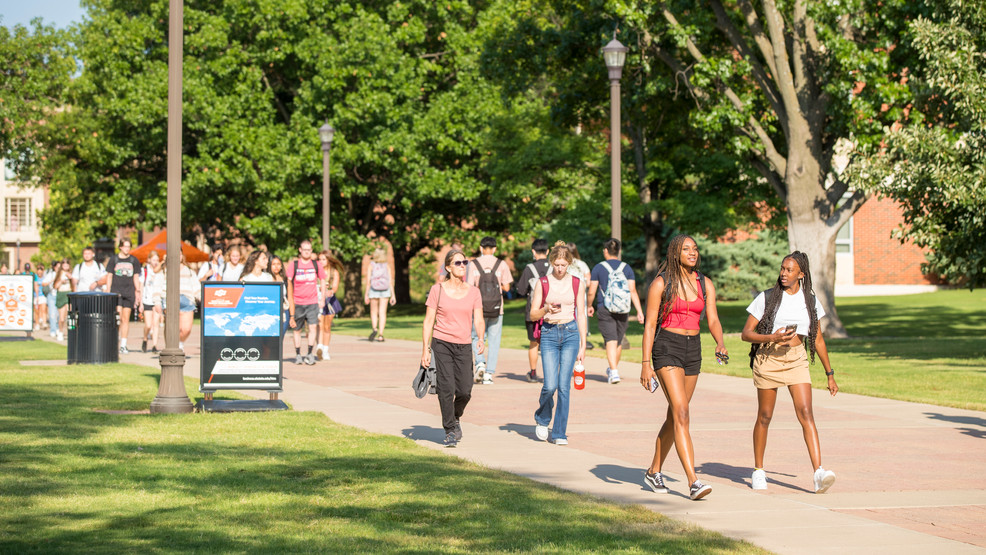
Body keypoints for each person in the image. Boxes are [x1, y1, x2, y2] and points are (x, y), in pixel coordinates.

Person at [741, 251, 839, 493]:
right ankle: (759, 471)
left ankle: (818, 472)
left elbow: (817, 340)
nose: (783, 273)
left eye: (789, 270)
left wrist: (829, 373)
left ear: (801, 274)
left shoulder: (810, 301)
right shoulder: (767, 297)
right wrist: (771, 336)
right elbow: (746, 334)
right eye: (782, 268)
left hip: (796, 360)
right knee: (765, 416)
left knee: (806, 413)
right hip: (768, 358)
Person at [640, 235, 727, 501]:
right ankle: (693, 481)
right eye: (686, 249)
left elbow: (712, 318)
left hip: (693, 349)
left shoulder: (704, 283)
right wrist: (646, 365)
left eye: (695, 248)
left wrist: (720, 343)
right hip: (667, 346)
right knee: (682, 412)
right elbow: (650, 325)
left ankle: (654, 470)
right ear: (675, 253)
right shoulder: (661, 284)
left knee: (676, 415)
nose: (692, 252)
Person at [421, 249, 485, 448]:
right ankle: (449, 430)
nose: (462, 266)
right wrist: (425, 349)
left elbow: (479, 318)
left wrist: (481, 338)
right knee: (446, 388)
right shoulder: (437, 290)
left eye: (464, 262)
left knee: (465, 390)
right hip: (442, 344)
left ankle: (455, 416)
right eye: (458, 263)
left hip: (464, 344)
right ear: (448, 267)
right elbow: (428, 321)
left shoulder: (474, 291)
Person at [529, 242, 586, 445]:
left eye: (564, 265)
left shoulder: (577, 282)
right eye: (557, 264)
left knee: (564, 387)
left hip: (570, 334)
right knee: (550, 385)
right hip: (549, 333)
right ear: (551, 262)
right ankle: (543, 419)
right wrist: (545, 309)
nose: (560, 269)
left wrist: (583, 344)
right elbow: (532, 313)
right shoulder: (543, 283)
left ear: (569, 263)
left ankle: (560, 432)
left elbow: (581, 314)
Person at [587, 238, 644, 384]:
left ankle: (613, 371)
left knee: (610, 340)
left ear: (605, 251)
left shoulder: (599, 268)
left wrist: (589, 305)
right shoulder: (627, 268)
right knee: (617, 340)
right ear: (618, 252)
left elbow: (592, 291)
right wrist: (639, 311)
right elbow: (632, 290)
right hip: (623, 308)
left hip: (605, 307)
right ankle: (614, 370)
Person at [467, 236, 513, 385]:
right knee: (494, 340)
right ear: (494, 249)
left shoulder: (473, 264)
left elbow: (469, 287)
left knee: (476, 337)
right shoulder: (501, 264)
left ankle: (480, 363)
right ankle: (489, 373)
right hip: (496, 308)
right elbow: (506, 287)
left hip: (477, 308)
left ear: (480, 248)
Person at [516, 238, 551, 382]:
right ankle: (550, 374)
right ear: (548, 251)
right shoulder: (553, 268)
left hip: (533, 312)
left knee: (533, 343)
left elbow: (521, 290)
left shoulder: (529, 268)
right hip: (550, 311)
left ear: (533, 251)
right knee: (550, 344)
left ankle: (533, 372)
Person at [287, 240, 327, 365]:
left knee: (313, 327)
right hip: (298, 301)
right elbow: (288, 282)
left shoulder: (316, 265)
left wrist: (322, 299)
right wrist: (290, 299)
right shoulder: (294, 265)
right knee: (297, 329)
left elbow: (323, 280)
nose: (307, 252)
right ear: (300, 250)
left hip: (312, 301)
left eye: (309, 250)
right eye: (304, 249)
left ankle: (310, 353)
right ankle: (298, 354)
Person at [154, 252, 198, 351]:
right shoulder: (164, 270)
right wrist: (157, 302)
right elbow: (157, 286)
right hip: (169, 299)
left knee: (186, 329)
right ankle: (170, 348)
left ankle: (179, 343)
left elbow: (196, 287)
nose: (178, 256)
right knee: (171, 327)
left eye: (180, 254)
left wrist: (201, 297)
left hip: (187, 300)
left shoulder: (189, 271)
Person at [105, 239, 142, 354]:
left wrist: (138, 291)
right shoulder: (114, 259)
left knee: (125, 319)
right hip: (117, 291)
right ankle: (114, 342)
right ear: (120, 247)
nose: (127, 249)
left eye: (129, 246)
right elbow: (109, 276)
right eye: (125, 246)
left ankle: (123, 344)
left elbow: (136, 277)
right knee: (118, 317)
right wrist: (108, 290)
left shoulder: (134, 260)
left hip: (129, 291)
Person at [317, 250, 344, 361]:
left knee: (327, 326)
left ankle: (326, 350)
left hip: (330, 302)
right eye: (320, 259)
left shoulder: (334, 272)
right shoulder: (316, 271)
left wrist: (330, 291)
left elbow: (335, 287)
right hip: (318, 300)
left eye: (323, 259)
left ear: (328, 260)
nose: (321, 261)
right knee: (320, 325)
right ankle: (319, 347)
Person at [364, 247, 395, 342]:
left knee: (374, 312)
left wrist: (366, 294)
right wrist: (393, 295)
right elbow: (390, 282)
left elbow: (368, 281)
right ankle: (381, 335)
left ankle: (375, 329)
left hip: (374, 290)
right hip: (385, 290)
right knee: (382, 313)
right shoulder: (387, 266)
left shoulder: (371, 265)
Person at [566, 242, 593, 350]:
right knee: (581, 315)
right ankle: (582, 341)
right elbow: (588, 282)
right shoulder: (582, 264)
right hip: (581, 294)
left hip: (567, 293)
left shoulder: (565, 264)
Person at [140, 251, 165, 353]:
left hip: (157, 300)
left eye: (157, 260)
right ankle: (145, 338)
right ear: (149, 260)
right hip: (147, 299)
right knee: (148, 325)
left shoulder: (161, 271)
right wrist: (140, 302)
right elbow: (141, 286)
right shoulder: (145, 270)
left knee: (156, 323)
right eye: (153, 260)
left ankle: (155, 345)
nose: (155, 262)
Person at [269, 255, 291, 338]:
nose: (276, 266)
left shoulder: (285, 279)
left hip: (284, 311)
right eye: (273, 264)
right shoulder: (266, 278)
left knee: (280, 338)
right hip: (271, 311)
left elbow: (290, 298)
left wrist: (292, 316)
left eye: (278, 264)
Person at [52, 259, 73, 341]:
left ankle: (70, 332)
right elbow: (55, 286)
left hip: (69, 294)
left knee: (69, 315)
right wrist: (61, 281)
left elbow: (74, 285)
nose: (65, 266)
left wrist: (71, 278)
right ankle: (60, 331)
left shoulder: (71, 274)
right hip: (61, 294)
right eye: (64, 265)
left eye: (67, 265)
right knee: (61, 318)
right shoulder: (59, 274)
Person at [42, 262, 59, 335]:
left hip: (59, 295)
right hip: (51, 295)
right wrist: (52, 281)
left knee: (58, 315)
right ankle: (53, 330)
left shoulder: (63, 274)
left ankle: (58, 328)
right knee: (52, 314)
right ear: (54, 267)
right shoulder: (51, 274)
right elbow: (43, 283)